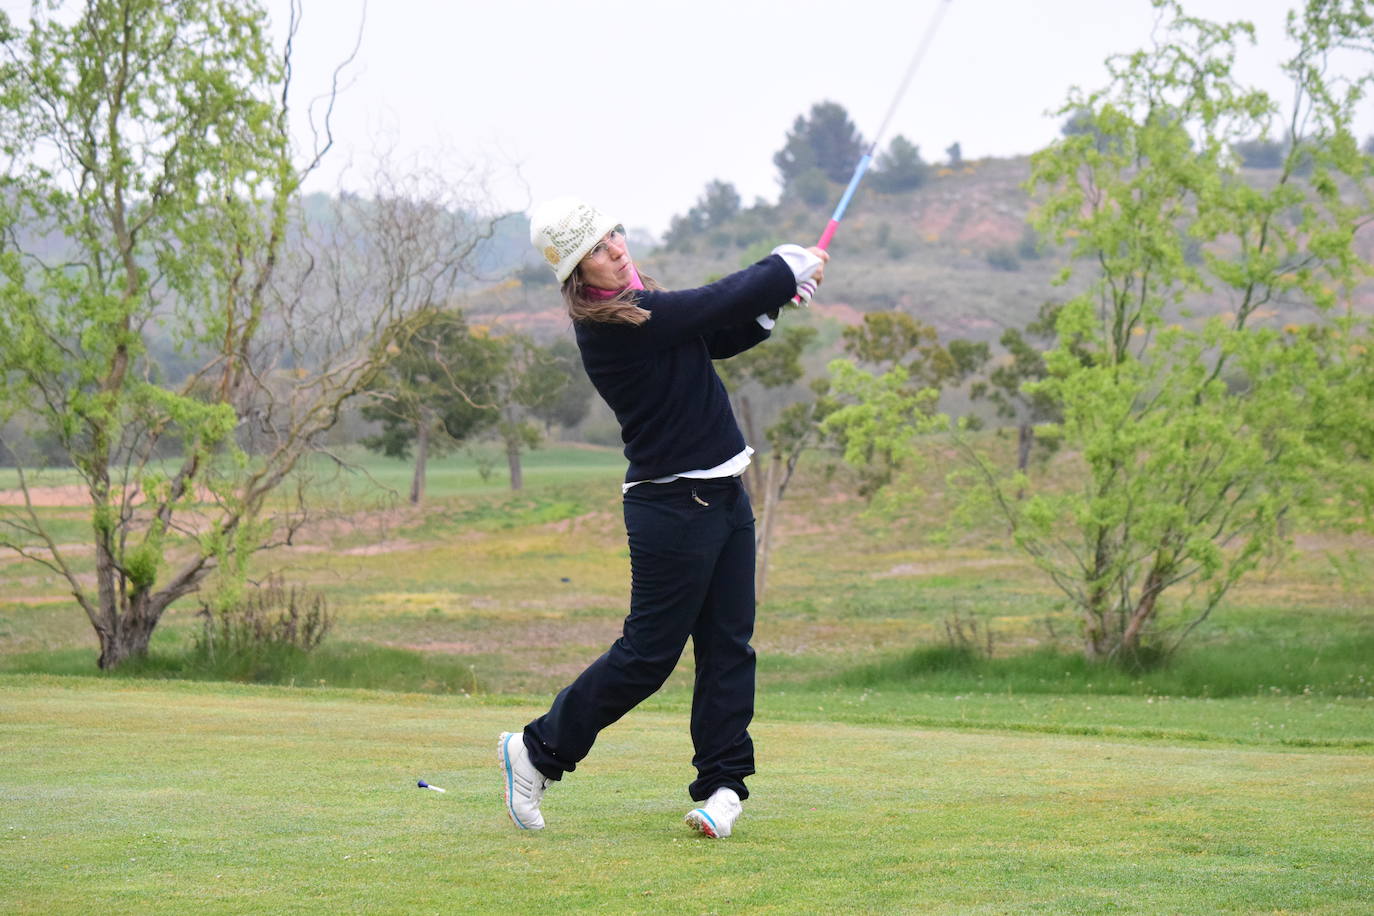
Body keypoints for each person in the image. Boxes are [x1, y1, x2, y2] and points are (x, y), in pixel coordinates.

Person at [499, 197, 828, 839]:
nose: (618, 247)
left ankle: (723, 787)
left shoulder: (644, 308)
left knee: (728, 646)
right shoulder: (613, 324)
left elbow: (712, 335)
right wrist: (779, 268)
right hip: (673, 508)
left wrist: (771, 306)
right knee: (649, 656)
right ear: (577, 275)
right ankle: (537, 751)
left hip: (725, 493)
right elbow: (703, 306)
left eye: (615, 233)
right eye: (597, 247)